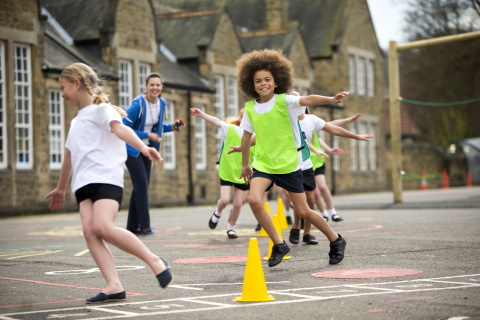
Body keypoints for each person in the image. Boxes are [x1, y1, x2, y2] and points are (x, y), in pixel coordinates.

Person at [44, 63, 173, 304]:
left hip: (106, 178)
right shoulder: (76, 122)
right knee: (90, 231)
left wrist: (144, 147)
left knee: (102, 227)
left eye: (63, 88)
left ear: (77, 83)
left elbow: (121, 131)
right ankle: (113, 285)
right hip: (82, 186)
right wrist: (61, 188)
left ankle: (155, 261)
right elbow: (68, 158)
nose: (62, 94)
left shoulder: (103, 109)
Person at [236, 49, 372, 267]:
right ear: (251, 84)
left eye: (267, 80)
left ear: (276, 81)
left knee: (303, 211)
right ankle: (279, 244)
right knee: (253, 199)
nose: (263, 83)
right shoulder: (251, 109)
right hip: (263, 163)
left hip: (289, 163)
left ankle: (336, 239)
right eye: (258, 80)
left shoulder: (285, 101)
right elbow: (246, 139)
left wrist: (331, 99)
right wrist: (244, 164)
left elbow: (309, 98)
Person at [123, 73, 184, 236]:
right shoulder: (138, 104)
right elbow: (123, 127)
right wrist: (146, 135)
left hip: (148, 149)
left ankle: (132, 227)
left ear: (161, 87)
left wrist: (172, 127)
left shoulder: (162, 103)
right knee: (141, 185)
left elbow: (156, 128)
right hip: (132, 149)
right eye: (152, 85)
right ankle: (145, 227)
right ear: (146, 87)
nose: (155, 88)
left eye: (158, 85)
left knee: (141, 187)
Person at [189, 107, 250, 239]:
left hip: (242, 172)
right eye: (245, 116)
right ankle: (218, 212)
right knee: (224, 200)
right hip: (227, 169)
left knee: (238, 203)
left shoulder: (255, 136)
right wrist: (202, 114)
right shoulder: (232, 129)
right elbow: (217, 122)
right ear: (241, 118)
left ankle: (231, 227)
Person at [310, 113, 362, 222]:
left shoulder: (310, 122)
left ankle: (333, 212)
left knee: (323, 187)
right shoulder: (296, 125)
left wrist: (348, 119)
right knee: (315, 192)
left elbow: (331, 125)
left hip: (318, 161)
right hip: (306, 163)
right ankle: (323, 214)